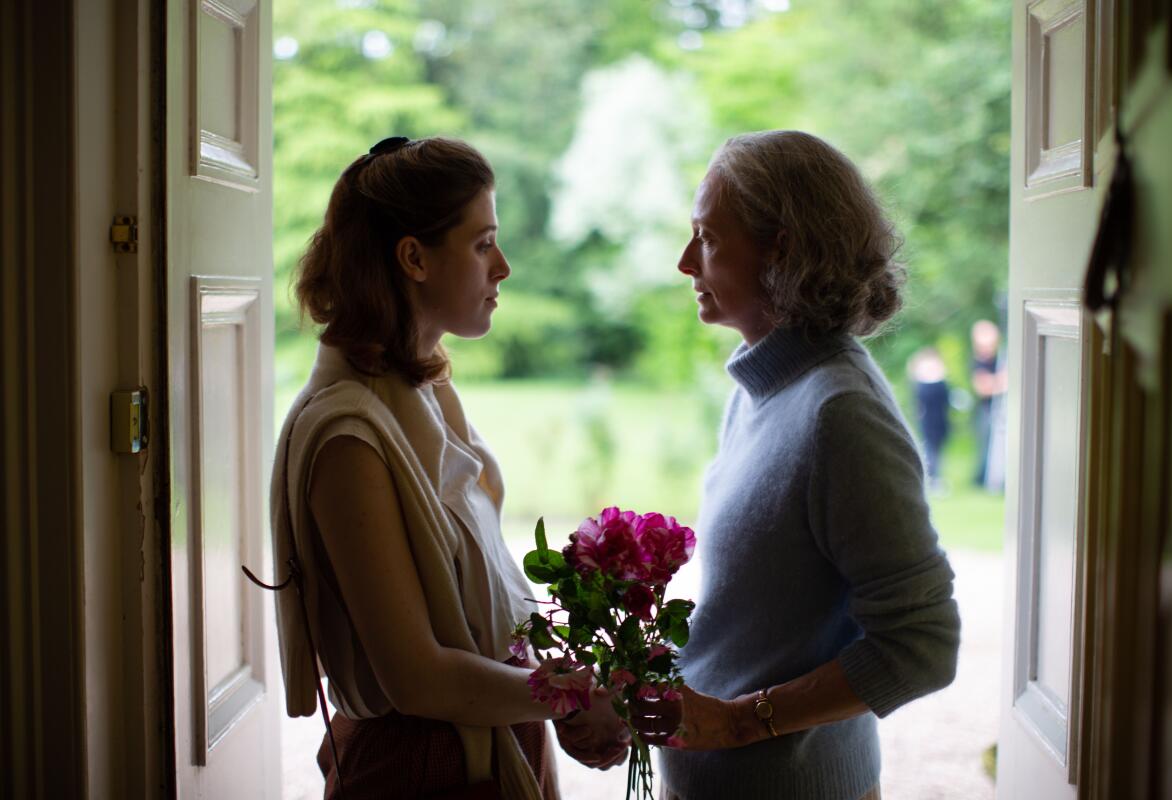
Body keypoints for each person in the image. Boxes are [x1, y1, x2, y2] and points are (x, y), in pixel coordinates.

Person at [268, 136, 627, 799]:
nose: (505, 267)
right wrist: (569, 699)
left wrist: (558, 679)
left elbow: (478, 600)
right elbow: (418, 677)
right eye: (483, 243)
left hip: (490, 737)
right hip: (422, 767)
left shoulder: (427, 394)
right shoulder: (349, 439)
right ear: (414, 258)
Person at [631, 131, 960, 800]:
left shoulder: (840, 412)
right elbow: (761, 615)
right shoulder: (763, 390)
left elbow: (924, 644)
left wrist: (740, 725)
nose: (684, 261)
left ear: (780, 247)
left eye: (708, 237)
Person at [907, 347, 952, 492]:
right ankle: (932, 478)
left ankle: (935, 477)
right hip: (929, 420)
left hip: (939, 419)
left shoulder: (938, 381)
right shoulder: (924, 383)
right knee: (930, 448)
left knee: (936, 448)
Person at [970, 319, 1006, 488]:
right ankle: (983, 479)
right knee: (986, 445)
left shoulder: (1000, 359)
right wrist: (1001, 382)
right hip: (986, 409)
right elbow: (983, 387)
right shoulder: (978, 361)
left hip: (1000, 409)